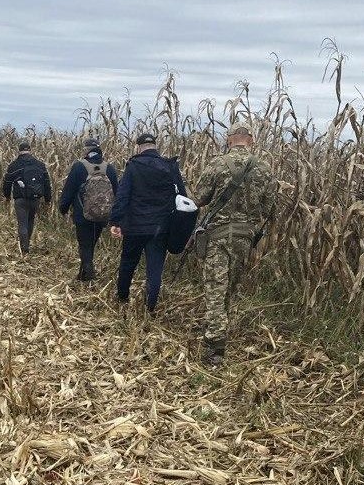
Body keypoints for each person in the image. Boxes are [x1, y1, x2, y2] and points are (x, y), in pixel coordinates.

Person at [194, 125, 277, 366]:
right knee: (229, 287)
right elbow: (268, 208)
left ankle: (215, 349)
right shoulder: (264, 168)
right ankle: (217, 325)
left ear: (229, 141)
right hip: (245, 238)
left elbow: (199, 198)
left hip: (218, 237)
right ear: (251, 141)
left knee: (215, 289)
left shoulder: (217, 164)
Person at [109, 132, 187, 313]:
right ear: (155, 146)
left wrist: (116, 221)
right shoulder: (169, 166)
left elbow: (123, 196)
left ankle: (122, 298)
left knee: (128, 262)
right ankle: (150, 305)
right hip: (160, 227)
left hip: (135, 227)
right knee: (155, 267)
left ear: (139, 147)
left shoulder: (133, 166)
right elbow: (182, 197)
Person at [58, 138, 119, 281]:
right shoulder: (109, 168)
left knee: (84, 244)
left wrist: (63, 208)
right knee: (90, 243)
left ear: (87, 150)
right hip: (102, 216)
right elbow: (116, 193)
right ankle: (82, 275)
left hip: (83, 214)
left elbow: (69, 189)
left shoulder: (79, 166)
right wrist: (113, 216)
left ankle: (90, 274)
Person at [2, 140, 52, 254]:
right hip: (35, 199)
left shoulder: (14, 165)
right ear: (30, 150)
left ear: (19, 151)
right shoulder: (40, 165)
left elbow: (7, 182)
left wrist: (7, 196)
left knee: (22, 223)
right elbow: (46, 183)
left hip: (20, 199)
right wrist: (48, 199)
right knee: (30, 221)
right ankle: (27, 243)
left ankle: (24, 248)